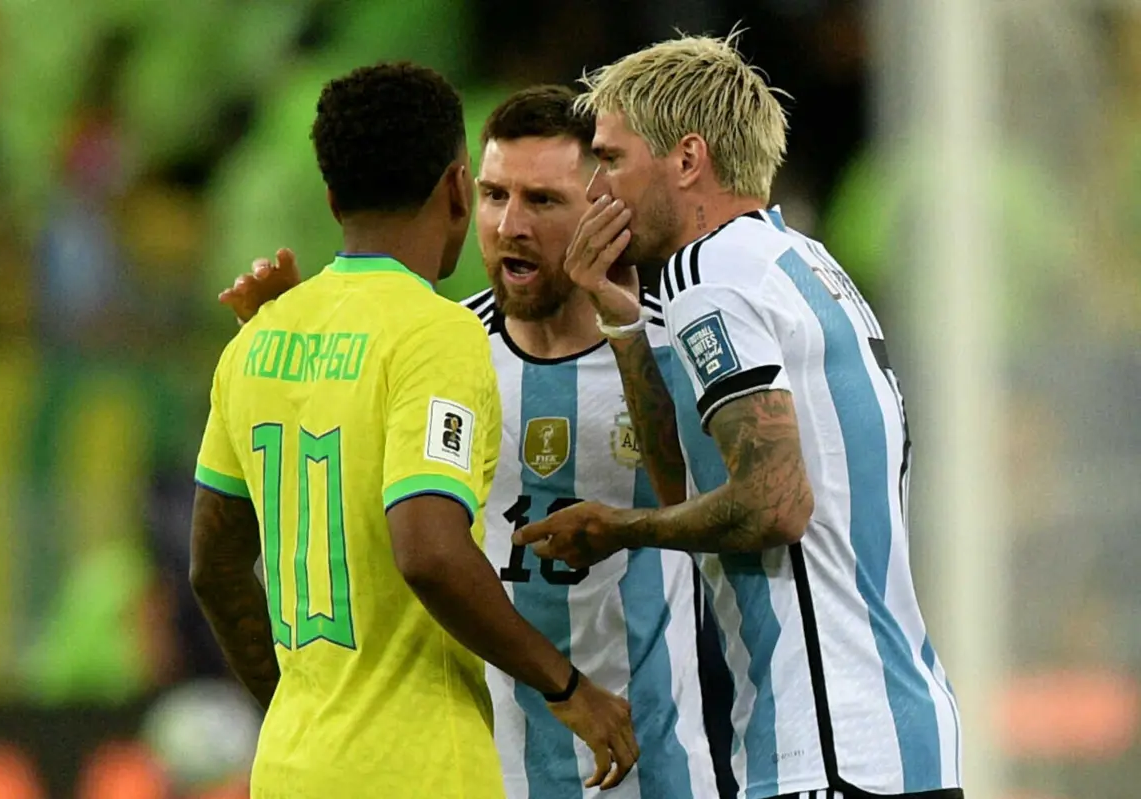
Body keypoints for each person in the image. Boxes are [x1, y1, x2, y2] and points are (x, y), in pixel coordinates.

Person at [221, 85, 722, 799]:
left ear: (604, 208)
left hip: (651, 763)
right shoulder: (436, 345)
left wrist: (626, 335)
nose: (510, 225)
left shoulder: (668, 340)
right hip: (484, 768)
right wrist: (291, 327)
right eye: (494, 196)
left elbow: (706, 516)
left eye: (543, 201)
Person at [513, 34, 965, 799]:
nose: (597, 190)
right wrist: (625, 326)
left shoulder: (708, 276)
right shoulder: (802, 263)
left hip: (825, 750)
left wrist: (619, 528)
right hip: (906, 739)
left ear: (687, 160)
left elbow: (776, 500)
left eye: (613, 160)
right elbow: (695, 479)